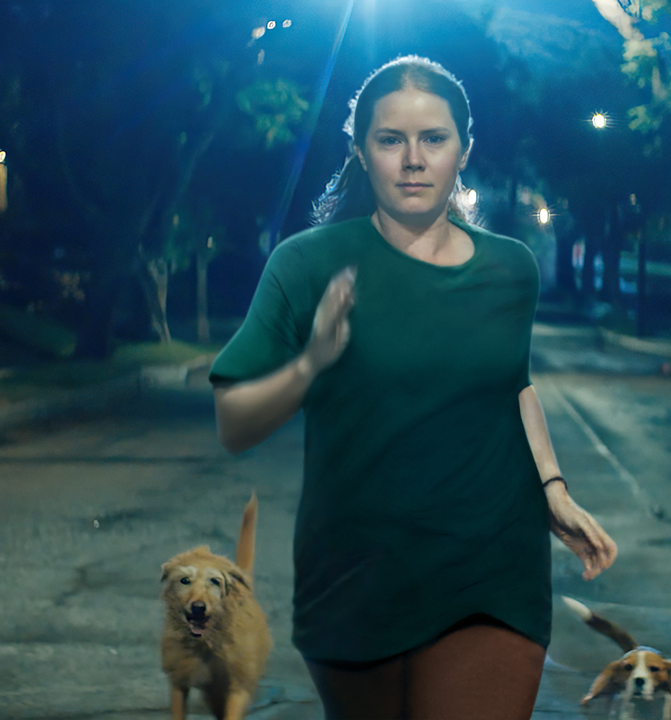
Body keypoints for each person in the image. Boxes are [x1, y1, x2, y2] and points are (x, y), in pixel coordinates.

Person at [209, 55, 617, 720]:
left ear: (464, 150)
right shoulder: (306, 264)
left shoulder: (511, 269)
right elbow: (233, 420)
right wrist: (309, 365)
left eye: (434, 139)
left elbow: (511, 386)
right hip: (355, 578)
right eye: (390, 139)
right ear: (362, 153)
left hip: (493, 569)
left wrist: (554, 489)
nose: (413, 159)